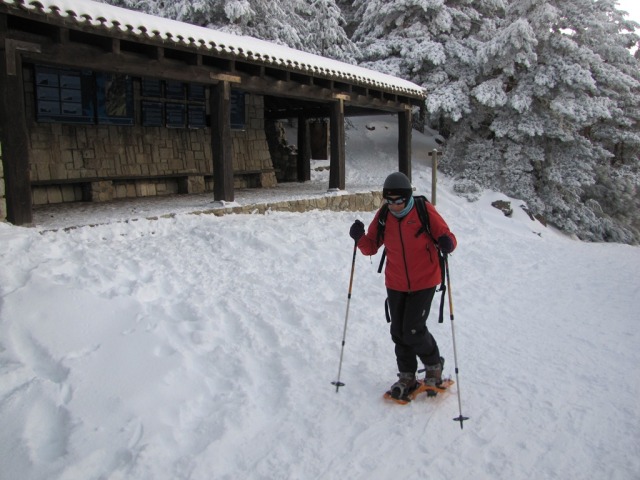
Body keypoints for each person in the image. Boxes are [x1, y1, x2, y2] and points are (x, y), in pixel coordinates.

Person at [349, 172, 457, 400]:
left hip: (425, 279)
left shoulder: (422, 210)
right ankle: (407, 375)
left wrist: (447, 243)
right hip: (396, 282)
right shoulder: (384, 216)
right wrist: (359, 238)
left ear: (408, 197)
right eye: (390, 201)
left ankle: (433, 365)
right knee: (398, 331)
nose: (395, 205)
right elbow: (370, 247)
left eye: (399, 201)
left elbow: (446, 235)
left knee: (413, 329)